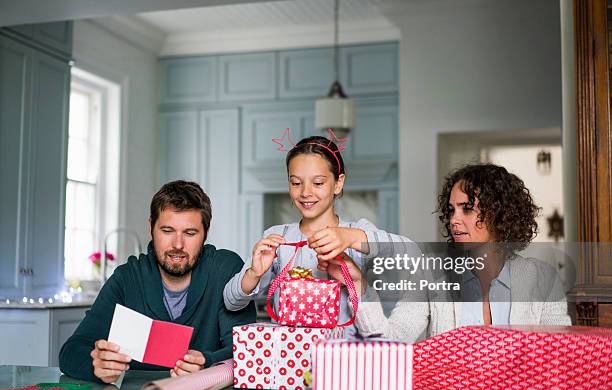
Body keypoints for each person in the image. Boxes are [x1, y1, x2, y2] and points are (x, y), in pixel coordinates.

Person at [334, 163, 571, 342]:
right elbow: (390, 341)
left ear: (500, 214)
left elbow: (559, 355)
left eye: (467, 209)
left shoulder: (543, 279)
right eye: (451, 210)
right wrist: (358, 285)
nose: (454, 220)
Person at [59, 180, 256, 383]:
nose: (178, 244)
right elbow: (70, 352)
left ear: (205, 232)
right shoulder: (127, 278)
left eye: (190, 233)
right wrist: (96, 365)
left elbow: (246, 352)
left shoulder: (225, 270)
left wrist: (207, 362)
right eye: (167, 231)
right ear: (151, 227)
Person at [223, 134, 409, 332]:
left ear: (338, 183)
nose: (305, 192)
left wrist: (351, 237)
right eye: (296, 183)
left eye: (318, 183)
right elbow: (231, 302)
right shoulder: (278, 237)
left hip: (342, 358)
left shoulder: (358, 232)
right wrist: (254, 273)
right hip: (289, 357)